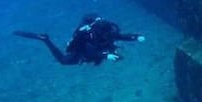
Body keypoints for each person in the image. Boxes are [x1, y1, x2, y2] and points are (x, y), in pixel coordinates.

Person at [14, 14, 145, 65]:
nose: (109, 36)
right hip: (82, 50)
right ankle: (45, 39)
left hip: (97, 49)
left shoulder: (107, 32)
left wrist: (136, 37)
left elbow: (121, 36)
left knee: (107, 49)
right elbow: (90, 53)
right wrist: (106, 56)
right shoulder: (90, 36)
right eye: (107, 34)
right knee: (64, 61)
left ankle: (45, 39)